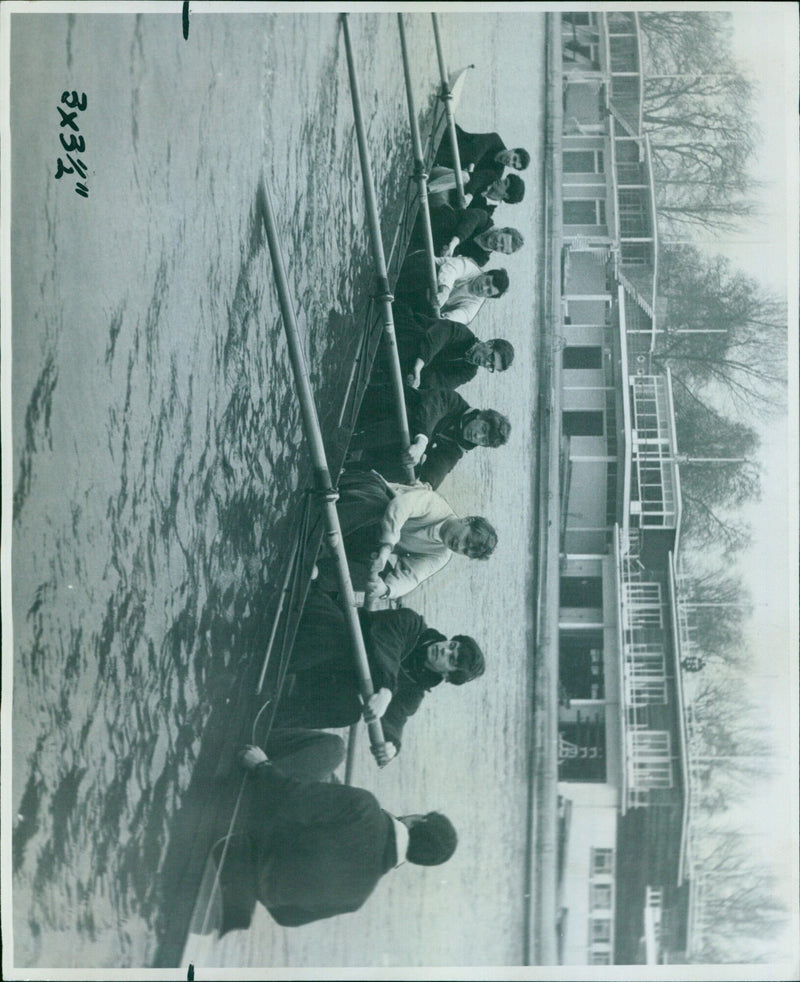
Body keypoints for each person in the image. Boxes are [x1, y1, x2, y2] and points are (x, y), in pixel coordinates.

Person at [237, 743, 458, 927]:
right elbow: (286, 918)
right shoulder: (358, 898)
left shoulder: (365, 807)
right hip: (247, 878)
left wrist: (262, 766)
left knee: (333, 749)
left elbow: (290, 799)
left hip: (251, 828)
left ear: (419, 820)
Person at [277, 583, 485, 761]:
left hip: (322, 669)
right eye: (453, 645)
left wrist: (392, 745)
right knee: (340, 638)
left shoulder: (414, 692)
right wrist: (386, 690)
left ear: (447, 676)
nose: (445, 649)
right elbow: (388, 644)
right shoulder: (412, 624)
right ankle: (272, 667)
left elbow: (395, 718)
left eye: (451, 659)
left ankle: (271, 716)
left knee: (347, 712)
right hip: (322, 619)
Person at [319, 468, 497, 604]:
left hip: (366, 533)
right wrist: (387, 548)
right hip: (363, 489)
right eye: (466, 540)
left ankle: (316, 571)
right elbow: (399, 507)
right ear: (467, 520)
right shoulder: (436, 504)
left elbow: (412, 577)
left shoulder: (440, 555)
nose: (459, 546)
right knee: (381, 507)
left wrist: (387, 589)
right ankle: (318, 529)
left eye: (465, 551)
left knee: (380, 577)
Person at [351, 385, 511, 489]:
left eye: (483, 440)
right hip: (381, 402)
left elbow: (442, 465)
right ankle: (349, 444)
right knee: (408, 429)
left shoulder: (457, 450)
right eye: (483, 428)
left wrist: (427, 485)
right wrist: (422, 441)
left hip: (382, 438)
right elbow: (433, 409)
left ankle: (351, 473)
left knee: (408, 471)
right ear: (481, 416)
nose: (477, 435)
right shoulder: (454, 402)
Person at [396, 252, 509, 325]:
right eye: (487, 282)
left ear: (488, 297)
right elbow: (451, 269)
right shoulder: (471, 267)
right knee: (429, 274)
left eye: (488, 291)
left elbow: (462, 317)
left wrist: (444, 320)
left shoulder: (474, 305)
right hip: (421, 266)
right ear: (484, 273)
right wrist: (444, 291)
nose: (483, 288)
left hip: (425, 297)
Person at [435, 124, 530, 178]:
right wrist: (472, 164)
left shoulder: (497, 173)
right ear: (513, 150)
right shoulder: (495, 139)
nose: (510, 162)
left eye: (513, 165)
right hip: (456, 142)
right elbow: (480, 147)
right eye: (514, 158)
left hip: (454, 168)